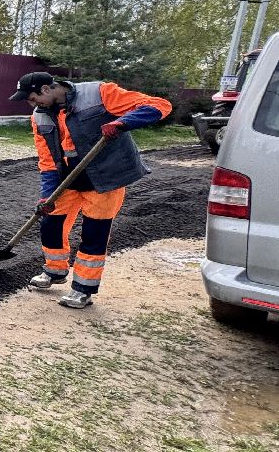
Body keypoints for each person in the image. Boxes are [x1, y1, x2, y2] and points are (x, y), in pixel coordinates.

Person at [9, 71, 171, 309]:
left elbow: (160, 105)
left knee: (94, 233)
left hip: (105, 177)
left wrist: (122, 122)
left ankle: (82, 290)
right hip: (68, 178)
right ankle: (55, 271)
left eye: (33, 98)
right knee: (50, 223)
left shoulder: (98, 93)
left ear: (45, 90)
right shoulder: (39, 117)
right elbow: (46, 159)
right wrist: (47, 195)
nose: (32, 105)